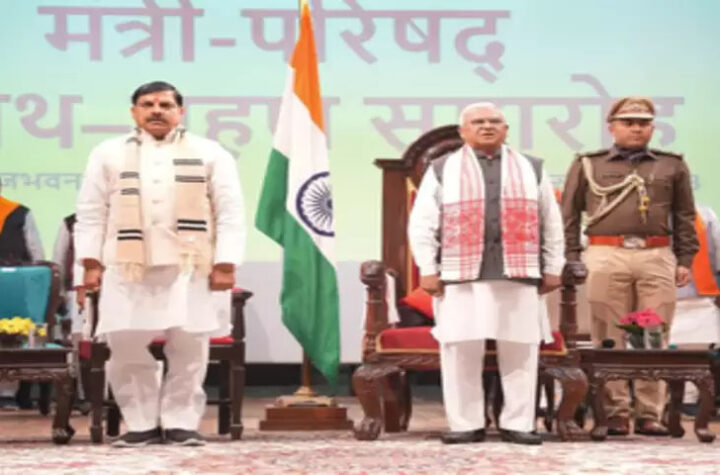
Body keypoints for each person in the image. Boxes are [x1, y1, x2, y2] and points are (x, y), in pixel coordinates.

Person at [74, 81, 246, 447]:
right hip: (127, 267)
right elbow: (91, 212)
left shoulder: (210, 152)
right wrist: (89, 262)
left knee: (189, 347)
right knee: (124, 345)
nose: (156, 110)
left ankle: (180, 423)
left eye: (165, 105)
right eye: (147, 104)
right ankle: (141, 424)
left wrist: (226, 262)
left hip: (190, 267)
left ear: (180, 112)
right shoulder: (107, 153)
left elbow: (230, 212)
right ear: (134, 112)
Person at [408, 102, 564, 445]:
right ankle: (465, 423)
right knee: (460, 349)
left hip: (518, 272)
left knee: (521, 349)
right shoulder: (442, 168)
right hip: (460, 275)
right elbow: (422, 223)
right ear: (463, 131)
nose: (487, 126)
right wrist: (428, 269)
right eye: (478, 122)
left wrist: (553, 266)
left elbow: (551, 221)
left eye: (495, 121)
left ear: (506, 129)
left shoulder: (531, 167)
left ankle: (518, 423)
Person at [561, 96, 699, 436]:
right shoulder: (588, 164)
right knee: (609, 334)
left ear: (652, 127)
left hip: (656, 254)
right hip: (605, 252)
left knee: (652, 334)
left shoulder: (671, 165)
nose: (637, 128)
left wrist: (685, 259)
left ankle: (649, 413)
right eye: (628, 122)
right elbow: (569, 215)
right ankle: (615, 412)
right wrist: (572, 258)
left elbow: (684, 215)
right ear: (612, 127)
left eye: (643, 123)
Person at [669, 204, 720, 411]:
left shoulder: (705, 215)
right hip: (656, 294)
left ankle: (688, 399)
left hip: (699, 297)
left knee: (696, 354)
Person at [0, 185, 45, 410]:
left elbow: (35, 252)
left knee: (11, 336)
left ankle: (8, 393)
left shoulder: (19, 212)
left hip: (14, 286)